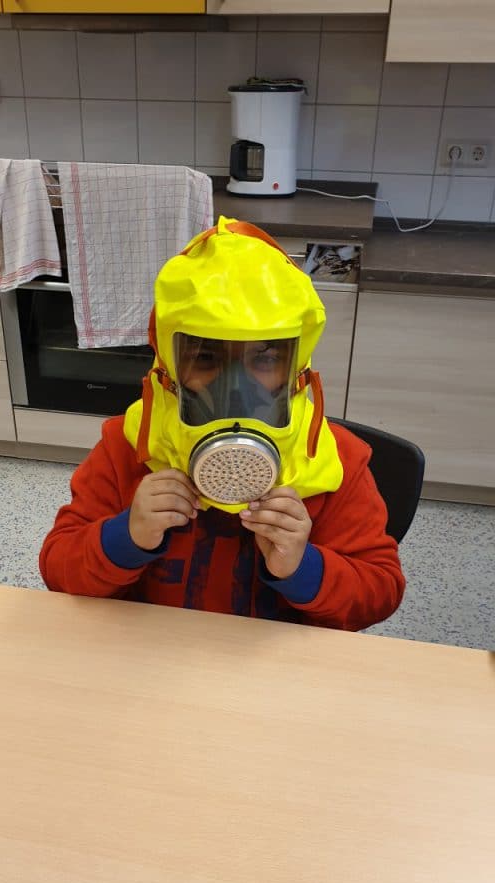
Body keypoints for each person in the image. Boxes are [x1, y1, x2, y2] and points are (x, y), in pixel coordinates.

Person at [40, 217, 405, 631]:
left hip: (275, 664)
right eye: (206, 358)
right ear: (167, 367)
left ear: (298, 369)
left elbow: (380, 594)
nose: (235, 388)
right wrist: (128, 535)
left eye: (265, 358)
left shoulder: (334, 462)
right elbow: (58, 568)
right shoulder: (129, 446)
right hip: (152, 656)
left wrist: (302, 566)